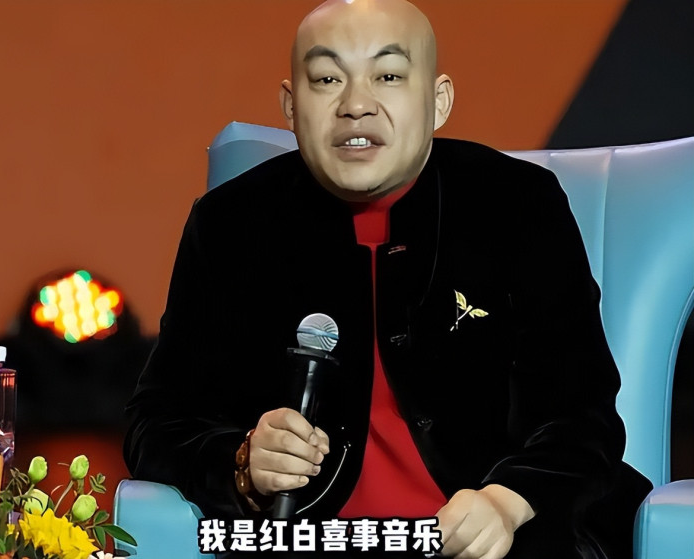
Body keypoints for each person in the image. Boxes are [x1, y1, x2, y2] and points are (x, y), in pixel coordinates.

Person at [124, 1, 651, 557]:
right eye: (327, 79)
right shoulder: (231, 224)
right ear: (291, 105)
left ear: (438, 101)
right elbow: (156, 421)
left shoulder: (519, 206)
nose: (356, 105)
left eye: (389, 76)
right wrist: (241, 461)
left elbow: (583, 416)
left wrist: (506, 501)